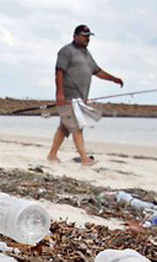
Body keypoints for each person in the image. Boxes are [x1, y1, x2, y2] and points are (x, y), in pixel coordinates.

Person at [47, 24, 123, 166]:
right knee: (76, 127)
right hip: (69, 97)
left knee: (64, 127)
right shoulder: (66, 51)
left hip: (81, 98)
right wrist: (60, 93)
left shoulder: (87, 54)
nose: (87, 39)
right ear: (75, 36)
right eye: (84, 36)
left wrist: (113, 79)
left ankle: (52, 155)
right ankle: (84, 159)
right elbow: (59, 72)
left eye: (88, 36)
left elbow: (97, 71)